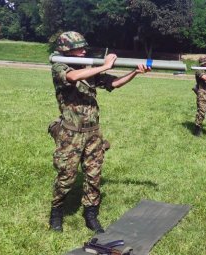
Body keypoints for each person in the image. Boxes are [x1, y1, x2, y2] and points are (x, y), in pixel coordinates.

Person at [48, 31, 150, 233]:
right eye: (79, 48)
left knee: (94, 175)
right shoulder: (59, 66)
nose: (84, 50)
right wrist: (104, 65)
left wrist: (135, 73)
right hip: (71, 135)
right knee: (66, 176)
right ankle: (57, 211)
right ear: (66, 50)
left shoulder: (90, 70)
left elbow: (113, 83)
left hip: (93, 134)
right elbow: (73, 77)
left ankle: (91, 213)